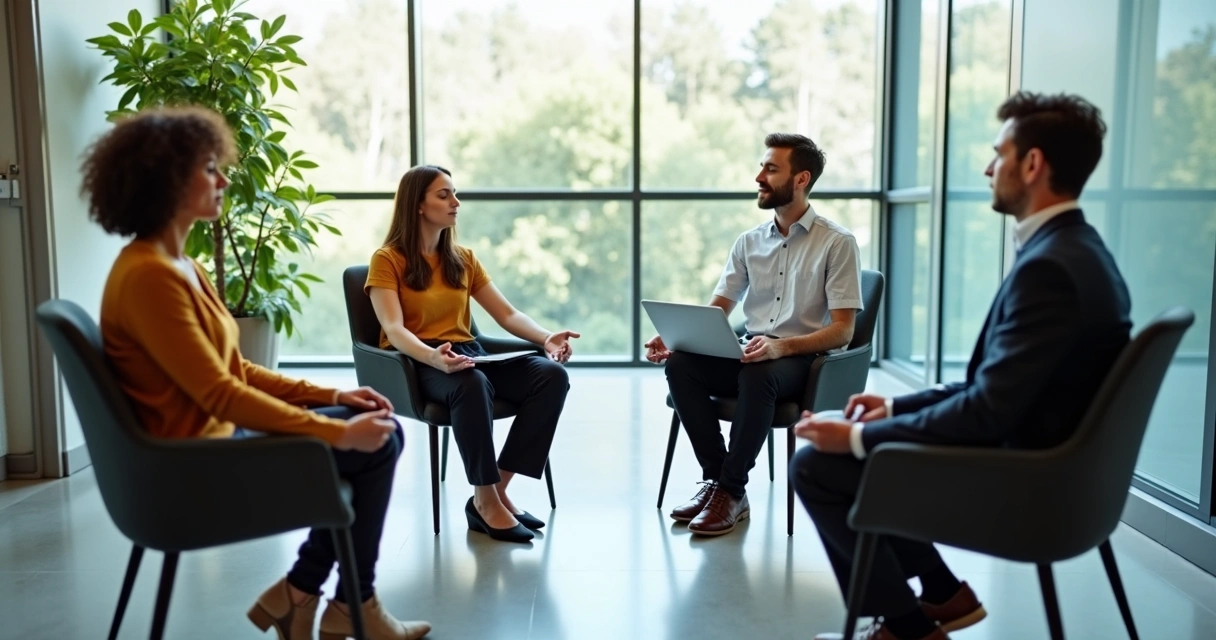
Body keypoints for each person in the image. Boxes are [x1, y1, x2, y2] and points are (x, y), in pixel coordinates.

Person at [792, 92, 1132, 640]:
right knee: (853, 452)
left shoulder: (1050, 269)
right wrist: (895, 407)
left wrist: (855, 439)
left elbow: (985, 411)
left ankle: (907, 627)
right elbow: (994, 386)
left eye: (999, 153)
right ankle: (944, 595)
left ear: (1033, 164)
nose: (988, 167)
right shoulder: (1078, 251)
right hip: (1057, 469)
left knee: (816, 467)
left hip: (1026, 482)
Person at [85, 107, 430, 640]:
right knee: (377, 444)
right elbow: (219, 393)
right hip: (196, 464)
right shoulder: (149, 277)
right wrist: (337, 429)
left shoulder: (180, 264)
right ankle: (347, 606)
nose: (223, 180)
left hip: (215, 441)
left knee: (378, 429)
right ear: (166, 180)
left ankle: (307, 596)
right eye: (208, 170)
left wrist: (334, 394)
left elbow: (236, 369)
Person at [646, 133, 863, 537]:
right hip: (753, 350)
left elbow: (842, 330)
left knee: (758, 373)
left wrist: (781, 347)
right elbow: (719, 308)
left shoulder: (837, 243)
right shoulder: (748, 242)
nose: (759, 176)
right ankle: (718, 483)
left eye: (770, 169)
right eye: (762, 167)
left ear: (801, 179)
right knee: (681, 366)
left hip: (802, 360)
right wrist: (678, 337)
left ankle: (731, 489)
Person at [366, 165, 578, 544]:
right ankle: (484, 500)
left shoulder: (462, 258)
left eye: (454, 193)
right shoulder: (388, 259)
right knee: (470, 381)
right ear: (417, 205)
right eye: (443, 195)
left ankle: (495, 492)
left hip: (466, 352)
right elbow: (394, 329)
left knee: (551, 375)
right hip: (416, 361)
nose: (455, 202)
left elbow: (507, 314)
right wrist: (433, 358)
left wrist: (547, 339)